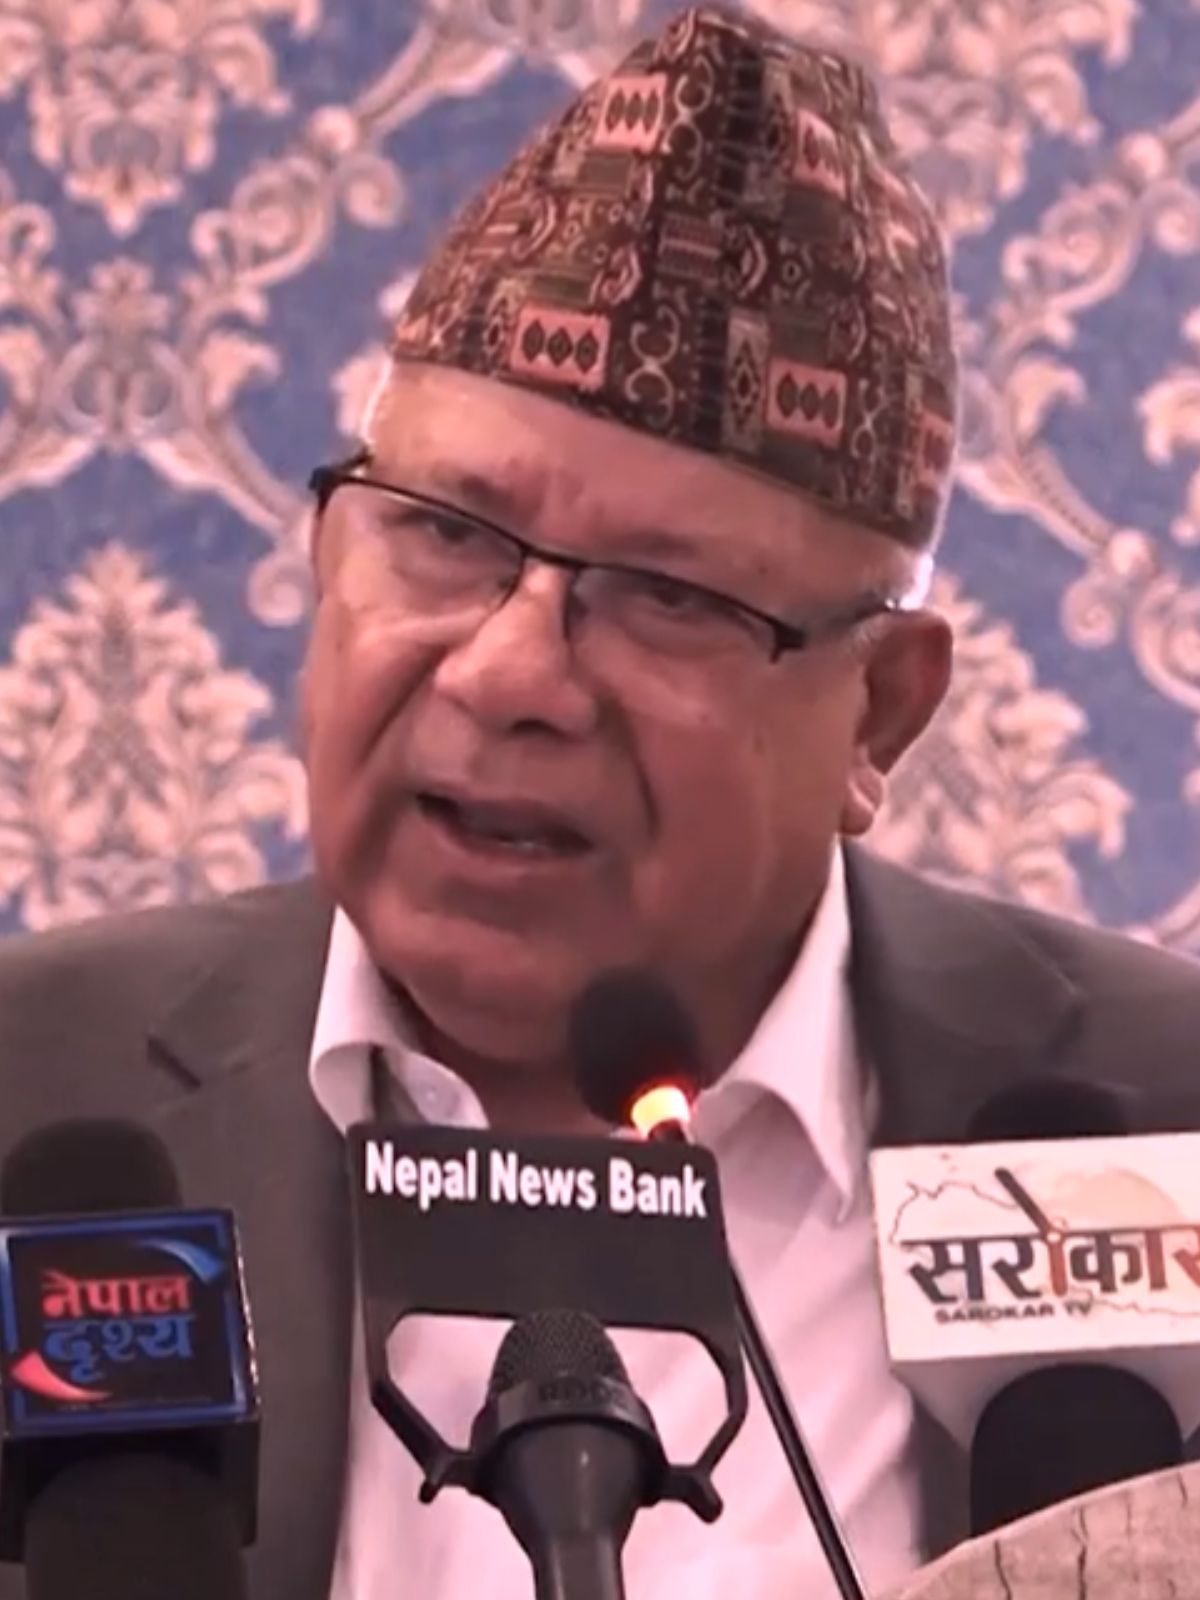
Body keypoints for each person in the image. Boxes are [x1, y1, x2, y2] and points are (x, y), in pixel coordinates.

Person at [0, 7, 1197, 1598]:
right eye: (443, 533)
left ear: (879, 713)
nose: (509, 673)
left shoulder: (1170, 1113)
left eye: (667, 595)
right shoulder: (30, 1090)